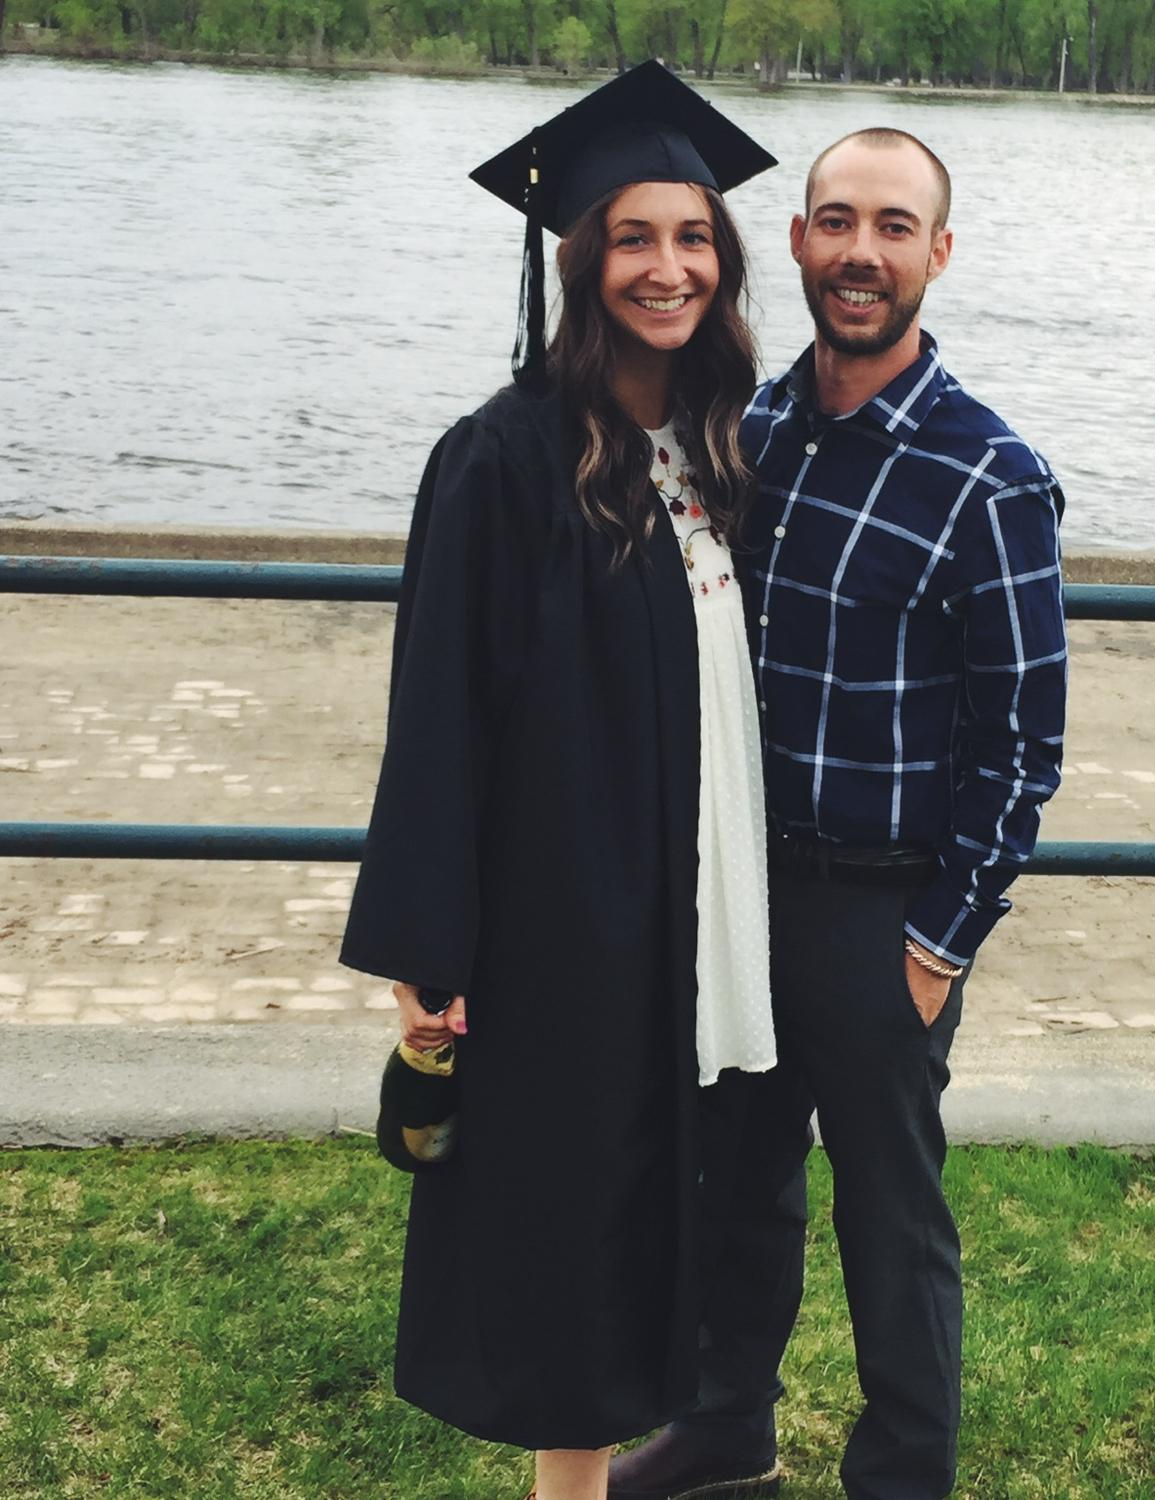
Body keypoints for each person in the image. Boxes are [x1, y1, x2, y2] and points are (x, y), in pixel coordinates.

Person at [339, 62, 778, 1500]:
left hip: (706, 904)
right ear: (580, 260)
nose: (669, 269)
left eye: (694, 237)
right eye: (633, 238)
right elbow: (439, 712)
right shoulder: (505, 457)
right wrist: (429, 948)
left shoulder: (719, 446)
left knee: (675, 1205)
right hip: (570, 921)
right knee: (577, 1229)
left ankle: (705, 1441)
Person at [609, 129, 1068, 1500]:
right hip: (746, 892)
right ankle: (724, 1425)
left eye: (893, 226)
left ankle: (904, 1473)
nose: (861, 252)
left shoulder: (989, 477)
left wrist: (940, 943)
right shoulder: (747, 435)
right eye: (835, 221)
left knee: (891, 1218)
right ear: (800, 242)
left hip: (884, 915)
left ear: (938, 253)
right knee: (734, 1182)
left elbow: (1022, 744)